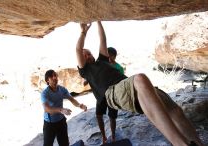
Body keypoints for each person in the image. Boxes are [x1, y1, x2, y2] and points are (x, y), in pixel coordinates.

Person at [75, 21, 203, 146]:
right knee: (140, 78)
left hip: (127, 85)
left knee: (174, 110)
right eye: (84, 55)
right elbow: (78, 49)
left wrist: (98, 20)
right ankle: (180, 143)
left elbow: (103, 39)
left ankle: (198, 143)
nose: (87, 56)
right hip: (112, 92)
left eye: (89, 53)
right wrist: (83, 32)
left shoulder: (102, 61)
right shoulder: (85, 70)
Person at [41, 69, 87, 146]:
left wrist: (79, 105)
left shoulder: (62, 89)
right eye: (52, 76)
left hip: (61, 121)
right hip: (49, 123)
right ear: (47, 80)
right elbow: (47, 109)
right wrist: (61, 110)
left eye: (55, 75)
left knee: (64, 143)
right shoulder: (45, 93)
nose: (54, 77)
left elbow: (72, 99)